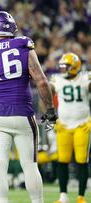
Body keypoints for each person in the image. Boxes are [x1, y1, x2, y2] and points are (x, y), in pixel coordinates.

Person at [0, 11, 57, 203]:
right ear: (11, 29)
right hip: (22, 113)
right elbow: (41, 82)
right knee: (30, 165)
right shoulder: (22, 45)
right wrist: (50, 110)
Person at [50, 52, 89, 203]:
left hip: (82, 125)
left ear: (74, 66)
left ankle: (81, 197)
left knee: (81, 161)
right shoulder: (57, 79)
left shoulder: (85, 78)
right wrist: (51, 114)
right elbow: (47, 92)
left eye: (65, 66)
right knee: (63, 160)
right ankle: (63, 196)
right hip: (63, 126)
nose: (62, 69)